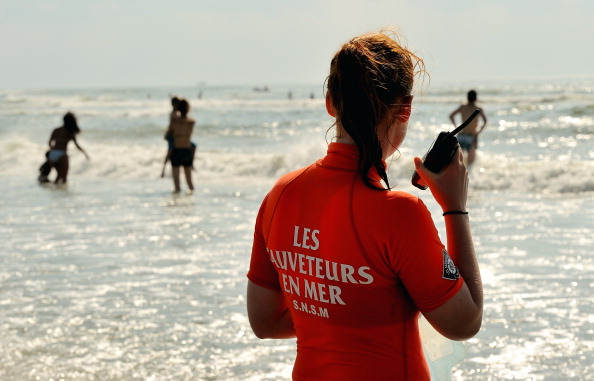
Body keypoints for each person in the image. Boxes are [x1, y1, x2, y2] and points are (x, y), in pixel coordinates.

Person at [246, 32, 483, 380]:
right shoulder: (400, 213)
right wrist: (455, 208)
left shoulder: (281, 194)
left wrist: (332, 311)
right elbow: (465, 321)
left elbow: (264, 321)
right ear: (405, 109)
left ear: (331, 103)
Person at [39, 112, 89, 184]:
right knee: (63, 177)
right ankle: (62, 193)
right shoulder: (70, 132)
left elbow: (50, 143)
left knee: (58, 176)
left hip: (52, 154)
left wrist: (53, 150)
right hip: (62, 155)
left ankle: (55, 192)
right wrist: (84, 152)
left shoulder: (56, 130)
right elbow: (76, 145)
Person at [164, 98, 195, 193]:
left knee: (177, 186)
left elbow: (166, 136)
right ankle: (192, 203)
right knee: (190, 184)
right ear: (188, 109)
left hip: (176, 151)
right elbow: (187, 120)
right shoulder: (191, 122)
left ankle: (177, 205)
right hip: (187, 151)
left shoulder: (174, 123)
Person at [449, 90, 487, 165]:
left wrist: (457, 128)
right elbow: (485, 121)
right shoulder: (478, 108)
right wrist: (478, 133)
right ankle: (471, 176)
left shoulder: (463, 107)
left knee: (458, 162)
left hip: (461, 135)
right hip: (472, 136)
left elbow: (451, 116)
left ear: (467, 97)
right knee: (470, 164)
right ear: (476, 98)